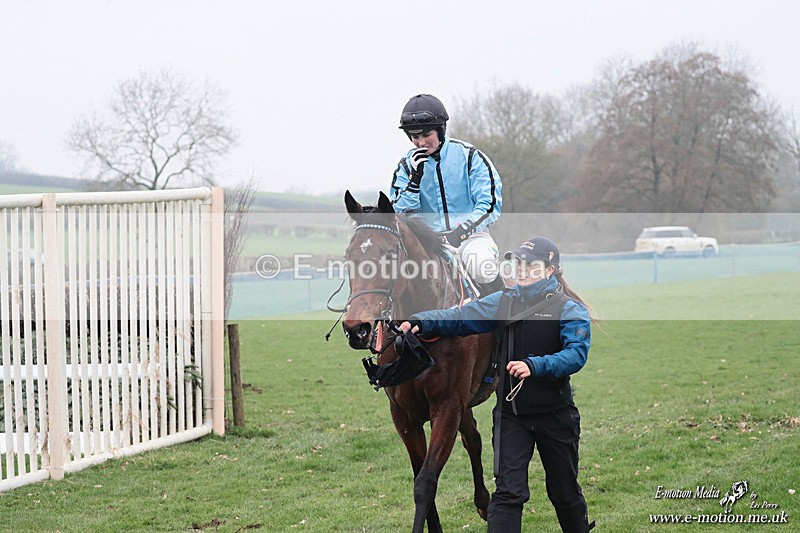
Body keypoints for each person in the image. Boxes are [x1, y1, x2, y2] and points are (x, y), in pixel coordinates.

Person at [399, 236, 595, 533]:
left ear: (549, 270)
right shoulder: (504, 300)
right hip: (511, 417)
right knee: (507, 494)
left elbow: (576, 355)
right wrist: (421, 321)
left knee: (564, 493)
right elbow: (460, 317)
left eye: (532, 265)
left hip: (556, 416)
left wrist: (535, 365)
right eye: (519, 263)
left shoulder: (569, 309)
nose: (522, 269)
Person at [390, 93, 504, 295]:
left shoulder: (470, 156)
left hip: (471, 238)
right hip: (425, 243)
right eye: (415, 137)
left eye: (427, 135)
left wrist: (461, 232)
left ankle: (505, 317)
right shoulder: (406, 167)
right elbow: (398, 213)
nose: (420, 143)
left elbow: (488, 203)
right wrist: (414, 181)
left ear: (441, 131)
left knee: (481, 266)